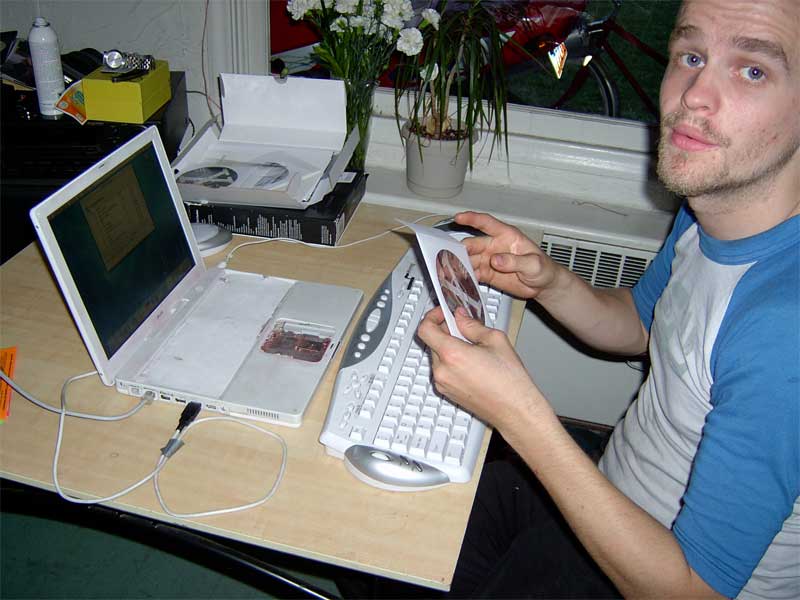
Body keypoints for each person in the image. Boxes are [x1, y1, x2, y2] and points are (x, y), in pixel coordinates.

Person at [417, 0, 799, 597]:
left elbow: (692, 590)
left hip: (653, 575)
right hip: (611, 491)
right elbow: (642, 326)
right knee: (402, 525)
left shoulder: (784, 330)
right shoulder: (711, 210)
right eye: (691, 56)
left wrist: (520, 417)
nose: (695, 95)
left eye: (753, 70)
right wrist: (550, 282)